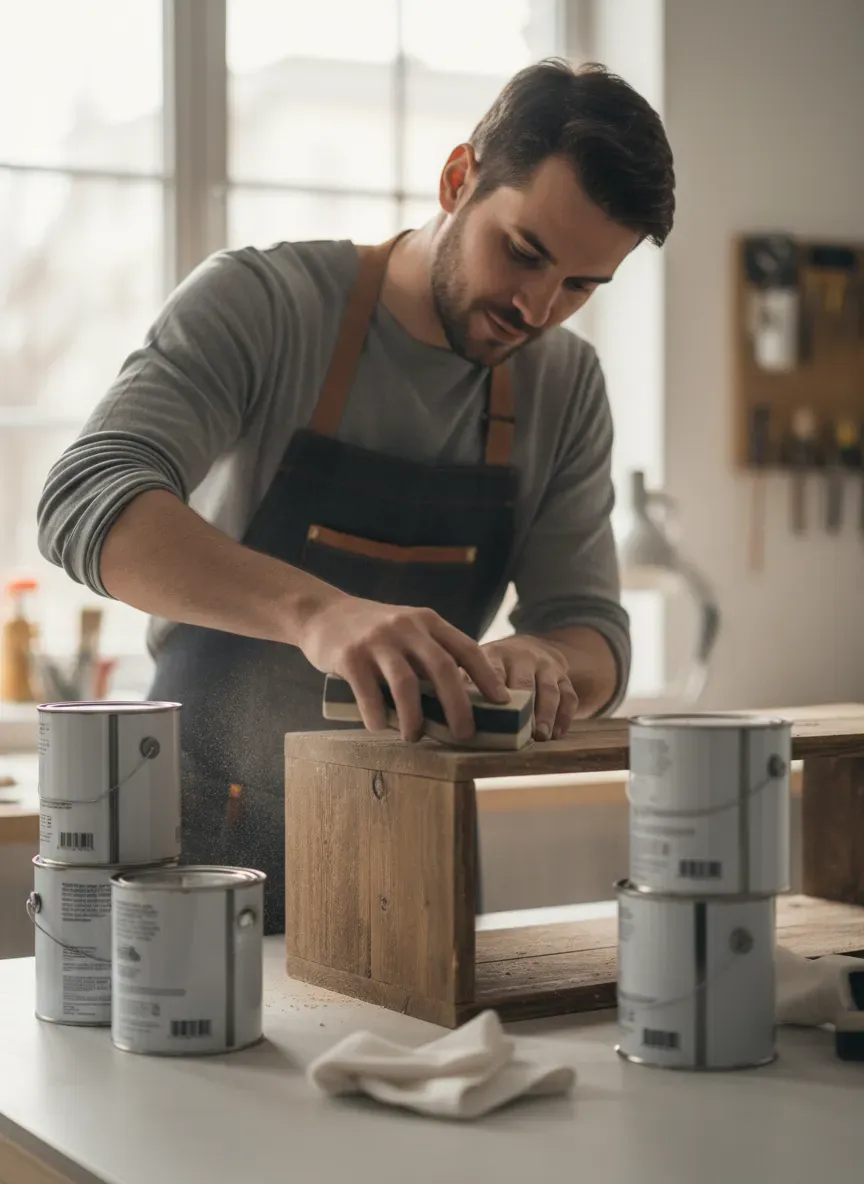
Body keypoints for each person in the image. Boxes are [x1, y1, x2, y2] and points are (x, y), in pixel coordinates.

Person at [38, 59, 675, 932]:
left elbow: (593, 632)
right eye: (523, 253)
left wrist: (550, 663)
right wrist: (317, 614)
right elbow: (86, 498)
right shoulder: (262, 303)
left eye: (580, 286)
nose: (536, 307)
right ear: (458, 179)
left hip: (409, 858)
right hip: (194, 851)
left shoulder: (565, 385)